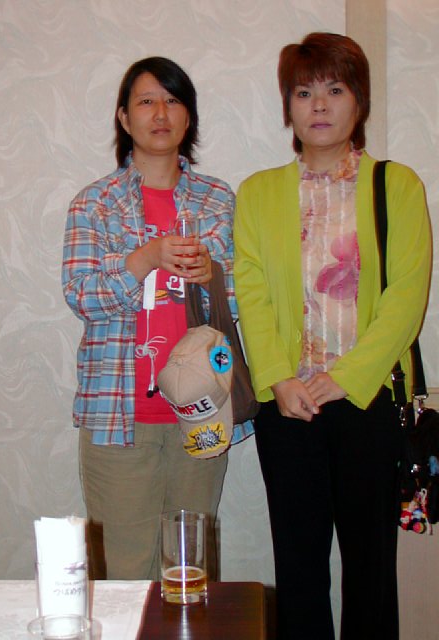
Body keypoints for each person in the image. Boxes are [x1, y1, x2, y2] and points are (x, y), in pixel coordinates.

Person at [234, 32, 432, 640]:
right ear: (288, 107)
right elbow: (252, 293)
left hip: (367, 401)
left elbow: (406, 298)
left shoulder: (396, 186)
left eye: (335, 89)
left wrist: (345, 379)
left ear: (359, 102)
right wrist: (277, 378)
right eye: (303, 92)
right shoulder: (258, 192)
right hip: (288, 404)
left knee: (371, 571)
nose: (318, 104)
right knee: (298, 570)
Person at [62, 56, 252, 581]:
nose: (161, 113)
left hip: (204, 408)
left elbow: (246, 297)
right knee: (125, 573)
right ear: (124, 118)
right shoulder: (94, 204)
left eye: (172, 100)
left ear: (188, 116)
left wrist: (213, 277)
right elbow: (80, 296)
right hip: (118, 415)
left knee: (190, 569)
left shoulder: (218, 200)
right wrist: (142, 260)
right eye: (146, 101)